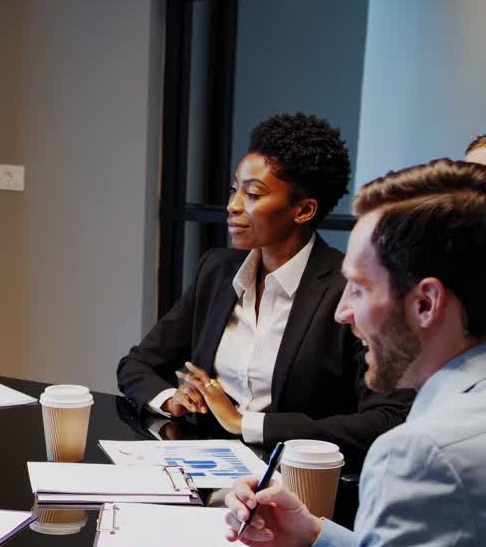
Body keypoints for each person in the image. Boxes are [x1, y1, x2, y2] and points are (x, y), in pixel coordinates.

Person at [224, 159, 486, 547]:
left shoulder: (423, 454)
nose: (343, 312)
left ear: (425, 303)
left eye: (359, 289)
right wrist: (314, 539)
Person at [117, 113, 412, 468]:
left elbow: (386, 419)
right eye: (234, 189)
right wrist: (172, 399)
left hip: (296, 482)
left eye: (253, 194)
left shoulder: (346, 288)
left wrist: (246, 423)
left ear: (304, 210)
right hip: (206, 466)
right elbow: (137, 365)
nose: (233, 205)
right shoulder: (217, 269)